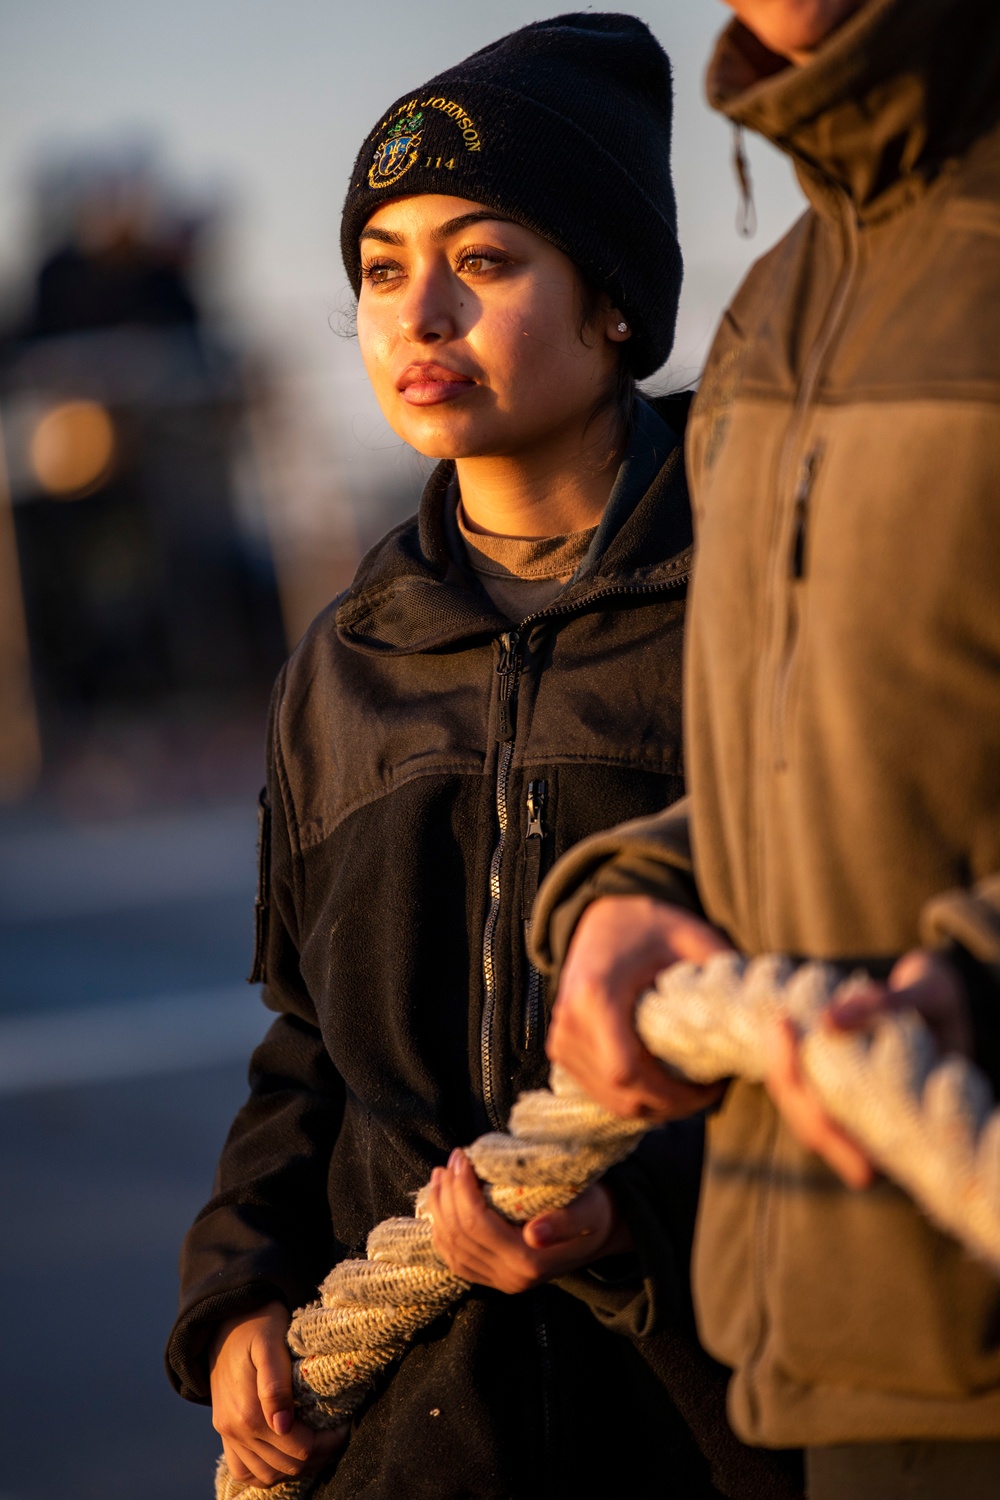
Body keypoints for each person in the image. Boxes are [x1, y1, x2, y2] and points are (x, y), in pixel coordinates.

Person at [166, 16, 801, 1499]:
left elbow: (826, 1002)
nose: (418, 314)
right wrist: (244, 1286)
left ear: (615, 309)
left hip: (700, 1425)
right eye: (383, 269)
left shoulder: (761, 603)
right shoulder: (346, 662)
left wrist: (625, 1218)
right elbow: (309, 1050)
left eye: (488, 260)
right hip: (410, 1438)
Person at [530, 0, 1000, 1496]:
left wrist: (980, 972)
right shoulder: (772, 315)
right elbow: (799, 756)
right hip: (820, 1348)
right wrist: (621, 898)